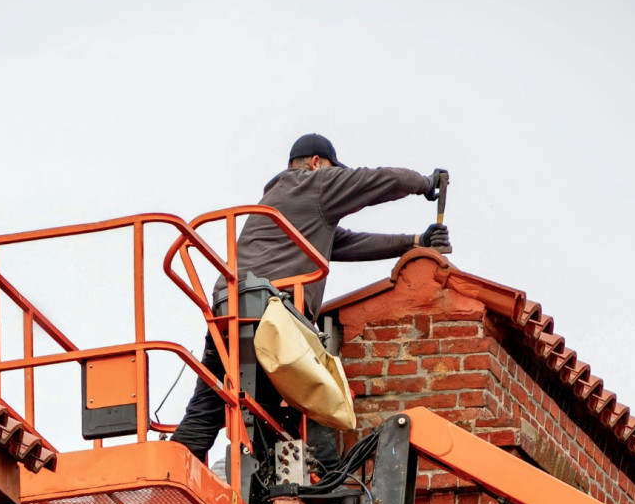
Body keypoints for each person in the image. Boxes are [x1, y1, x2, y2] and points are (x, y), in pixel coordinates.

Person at [171, 133, 452, 475]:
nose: (337, 178)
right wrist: (424, 184)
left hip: (228, 310)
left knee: (209, 406)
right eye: (334, 170)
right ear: (317, 163)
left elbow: (347, 244)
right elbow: (376, 181)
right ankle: (329, 478)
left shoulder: (282, 203)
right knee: (319, 393)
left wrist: (416, 241)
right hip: (271, 312)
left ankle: (170, 473)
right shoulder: (313, 183)